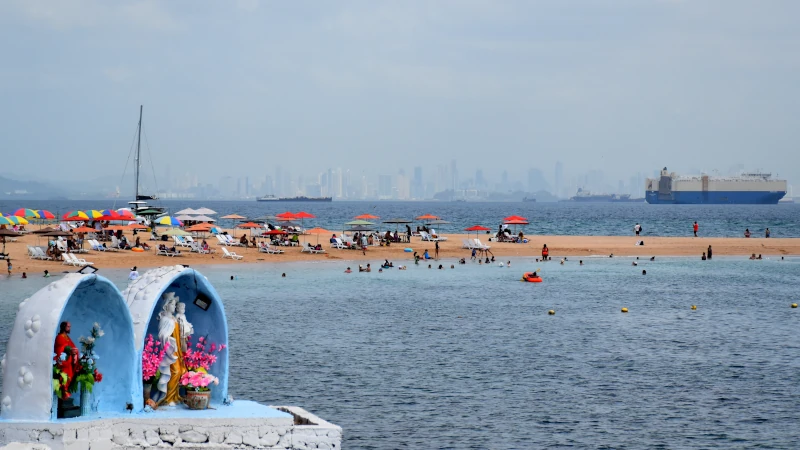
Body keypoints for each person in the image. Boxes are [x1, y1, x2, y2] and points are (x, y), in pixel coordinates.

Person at [54, 321, 80, 399]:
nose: (69, 328)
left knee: (69, 376)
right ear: (64, 327)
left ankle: (66, 391)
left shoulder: (67, 337)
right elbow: (61, 348)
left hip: (69, 361)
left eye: (70, 326)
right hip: (64, 361)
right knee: (65, 376)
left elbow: (72, 346)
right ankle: (64, 391)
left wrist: (75, 352)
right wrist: (69, 350)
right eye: (68, 326)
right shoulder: (59, 337)